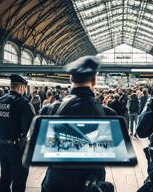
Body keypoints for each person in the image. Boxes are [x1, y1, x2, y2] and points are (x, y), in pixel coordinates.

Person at [41, 56, 116, 192]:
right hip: (90, 185)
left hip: (56, 182)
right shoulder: (108, 114)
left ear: (71, 79)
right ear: (94, 80)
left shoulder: (51, 109)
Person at [0, 74, 35, 192]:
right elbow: (31, 127)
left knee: (5, 178)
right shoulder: (24, 103)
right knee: (19, 181)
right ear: (21, 87)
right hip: (17, 148)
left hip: (1, 146)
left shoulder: (0, 100)